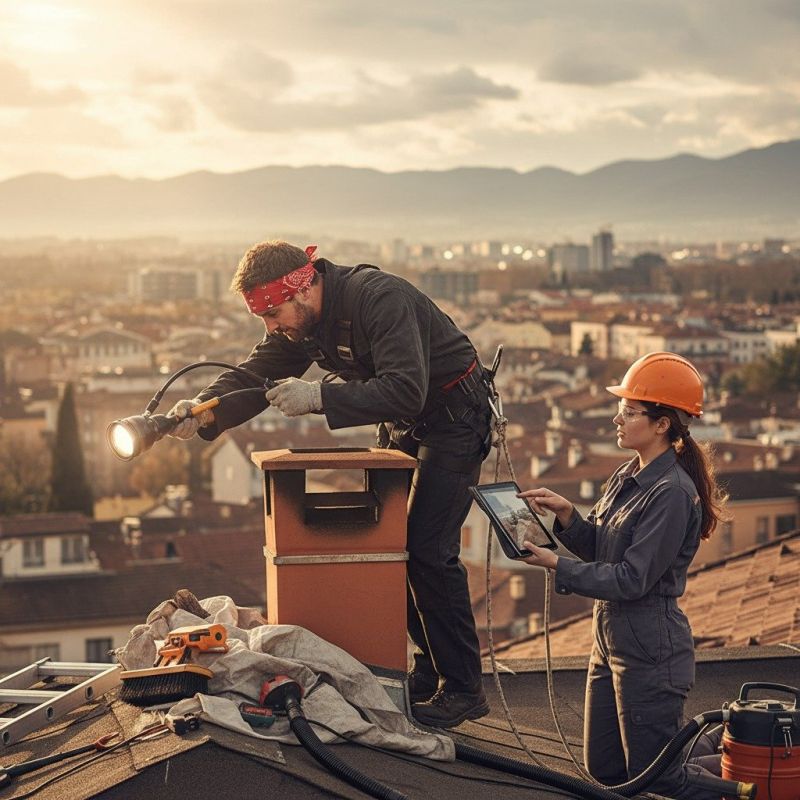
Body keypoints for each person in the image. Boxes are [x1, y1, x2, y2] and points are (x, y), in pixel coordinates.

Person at [167, 240, 492, 728]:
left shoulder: (380, 299)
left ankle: (464, 688)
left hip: (455, 419)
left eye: (273, 313)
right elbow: (256, 374)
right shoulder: (304, 324)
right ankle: (428, 668)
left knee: (428, 549)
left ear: (302, 288)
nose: (271, 326)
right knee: (394, 548)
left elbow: (406, 386)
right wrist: (201, 411)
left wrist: (319, 395)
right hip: (409, 423)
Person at [518, 352, 729, 799]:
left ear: (662, 424)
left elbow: (633, 579)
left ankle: (750, 789)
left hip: (650, 649)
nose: (617, 418)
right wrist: (567, 516)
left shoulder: (672, 493)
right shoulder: (628, 473)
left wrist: (557, 565)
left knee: (658, 778)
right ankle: (715, 747)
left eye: (630, 411)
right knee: (608, 770)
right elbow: (602, 547)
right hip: (609, 643)